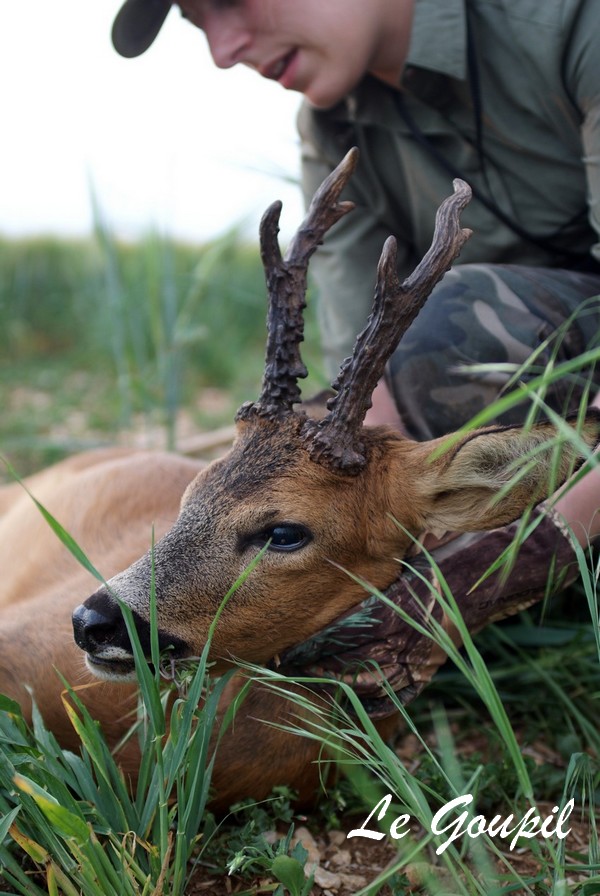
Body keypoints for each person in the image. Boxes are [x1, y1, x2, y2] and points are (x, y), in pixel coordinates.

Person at [109, 0, 600, 707]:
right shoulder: (332, 123)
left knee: (454, 328)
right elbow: (361, 401)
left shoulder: (571, 24)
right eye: (196, 22)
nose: (223, 49)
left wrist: (504, 571)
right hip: (524, 403)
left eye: (230, 0)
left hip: (549, 399)